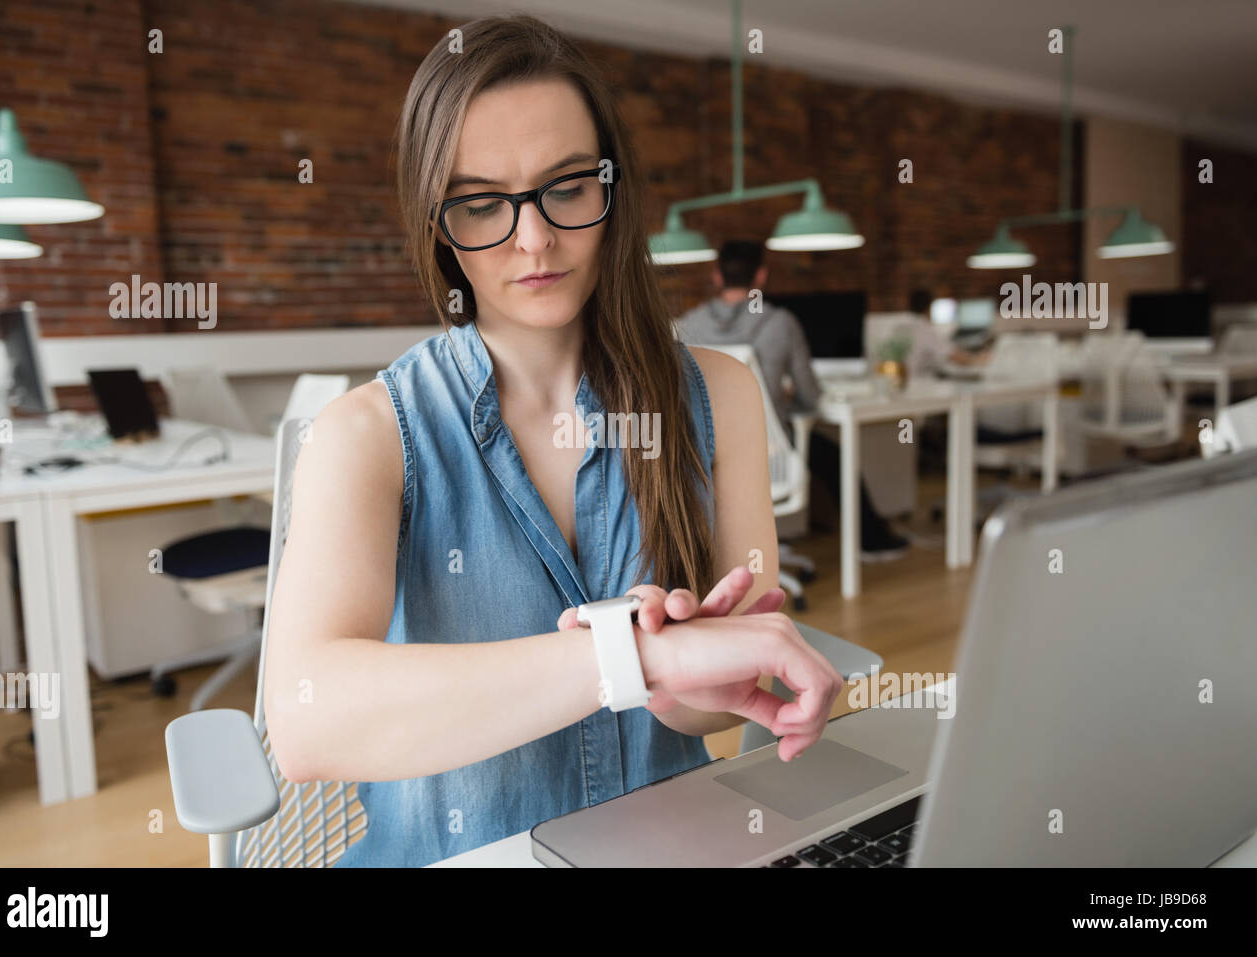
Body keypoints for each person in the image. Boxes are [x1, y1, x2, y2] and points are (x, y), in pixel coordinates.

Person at [261, 15, 844, 868]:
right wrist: (628, 654)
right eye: (481, 202)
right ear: (438, 223)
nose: (533, 239)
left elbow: (716, 706)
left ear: (614, 189)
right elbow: (308, 719)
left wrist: (690, 682)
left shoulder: (721, 393)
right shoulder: (365, 434)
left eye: (566, 187)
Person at [674, 240, 910, 561]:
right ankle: (870, 542)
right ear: (760, 276)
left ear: (717, 277)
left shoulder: (688, 324)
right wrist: (782, 400)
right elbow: (811, 396)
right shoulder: (779, 323)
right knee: (836, 456)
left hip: (700, 455)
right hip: (767, 454)